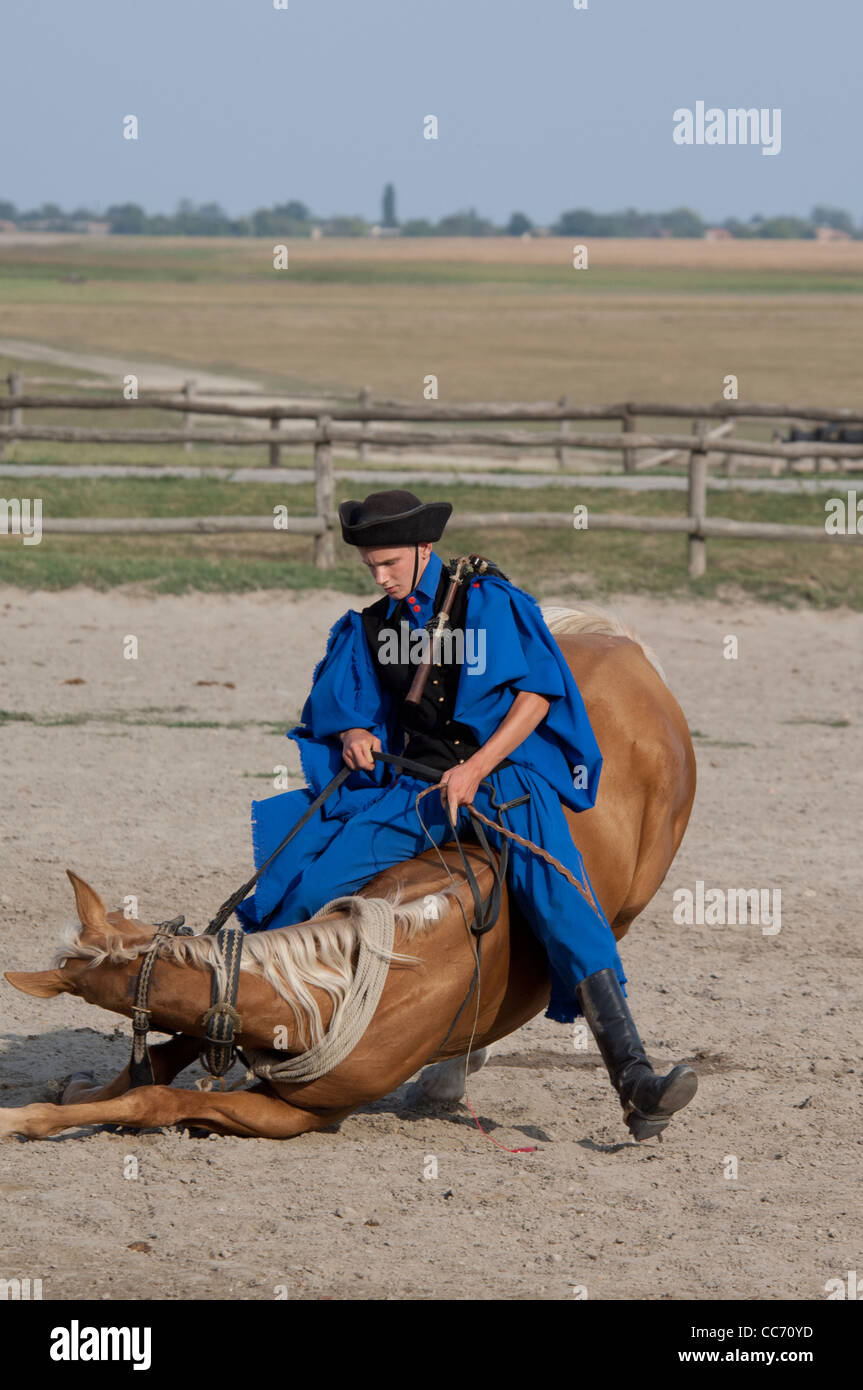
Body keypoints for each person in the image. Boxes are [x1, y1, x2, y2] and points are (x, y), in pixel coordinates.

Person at [235, 490, 696, 1138]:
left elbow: (537, 695)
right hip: (414, 791)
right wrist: (355, 736)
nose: (380, 577)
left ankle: (635, 1080)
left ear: (424, 549)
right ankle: (234, 1030)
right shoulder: (373, 625)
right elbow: (348, 705)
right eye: (370, 566)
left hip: (502, 783)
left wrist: (477, 767)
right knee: (309, 881)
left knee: (567, 907)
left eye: (390, 563)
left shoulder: (490, 604)